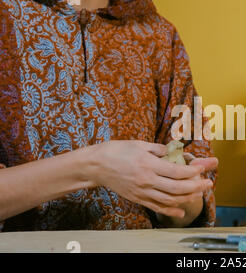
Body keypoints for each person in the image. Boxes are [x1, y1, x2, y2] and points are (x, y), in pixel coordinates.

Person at [0, 0, 218, 231]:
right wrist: (95, 165)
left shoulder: (160, 35)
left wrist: (181, 190)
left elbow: (188, 213)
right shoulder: (7, 16)